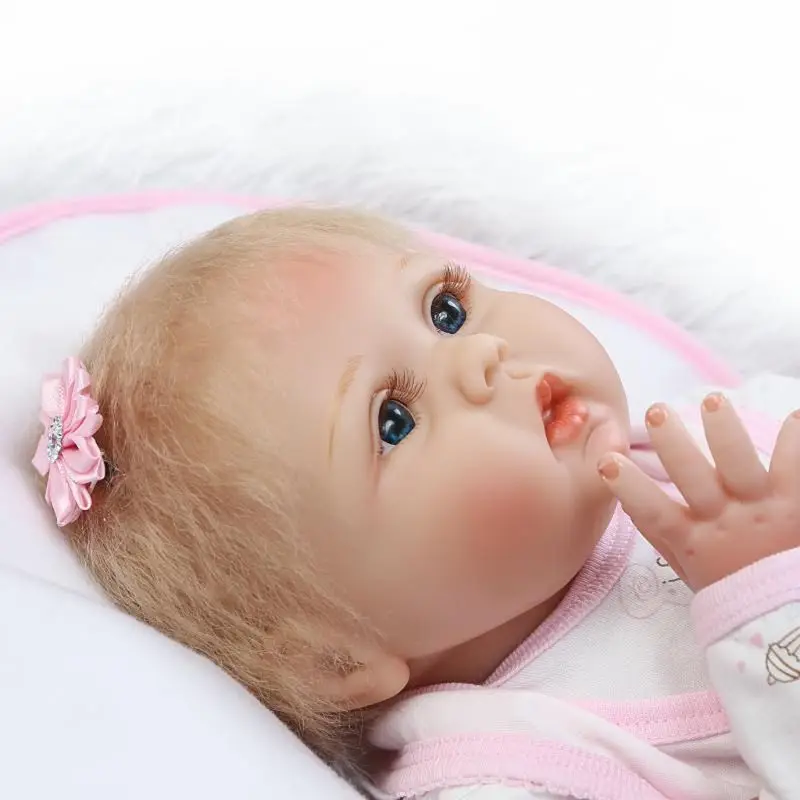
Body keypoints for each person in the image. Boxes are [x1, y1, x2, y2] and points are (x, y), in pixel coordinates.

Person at [32, 207, 800, 798]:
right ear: (335, 659)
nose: (482, 356)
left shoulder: (700, 445)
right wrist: (766, 608)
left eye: (445, 310)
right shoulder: (515, 770)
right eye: (393, 421)